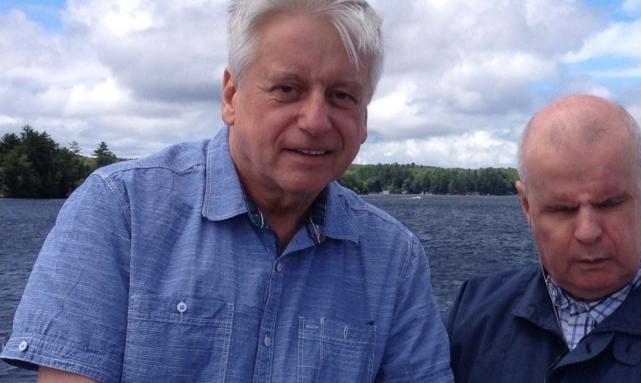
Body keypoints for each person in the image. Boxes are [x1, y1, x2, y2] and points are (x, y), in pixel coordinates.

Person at [0, 1, 454, 382]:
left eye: (342, 96)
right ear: (231, 96)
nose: (316, 121)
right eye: (288, 89)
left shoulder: (394, 258)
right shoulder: (121, 210)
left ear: (364, 118)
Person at [445, 94, 641, 382]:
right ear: (527, 206)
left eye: (610, 203)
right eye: (561, 209)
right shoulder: (471, 316)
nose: (588, 232)